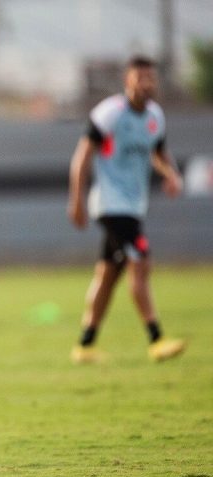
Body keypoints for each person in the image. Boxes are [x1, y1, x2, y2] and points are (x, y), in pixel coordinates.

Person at [67, 55, 185, 364]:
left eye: (151, 78)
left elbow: (159, 152)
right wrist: (76, 200)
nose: (147, 84)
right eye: (140, 78)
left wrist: (170, 174)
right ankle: (156, 338)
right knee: (141, 260)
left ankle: (85, 345)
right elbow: (82, 157)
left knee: (108, 273)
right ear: (127, 81)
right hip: (109, 204)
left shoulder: (155, 117)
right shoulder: (110, 114)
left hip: (133, 206)